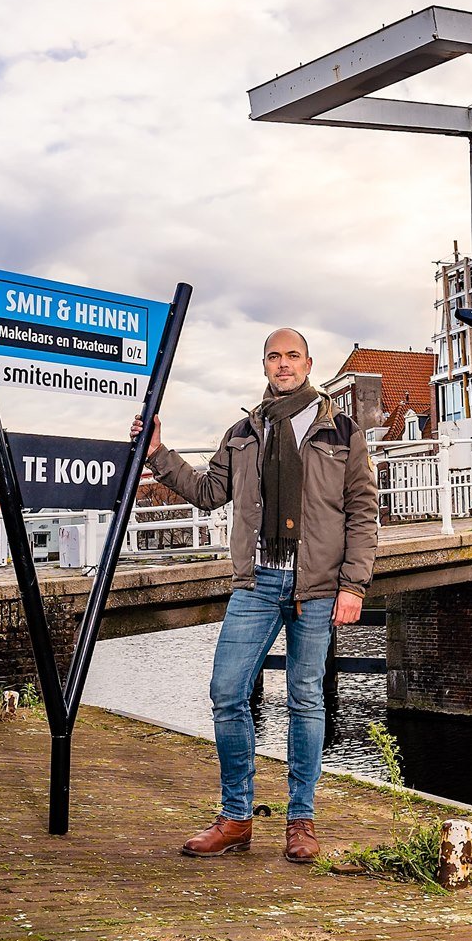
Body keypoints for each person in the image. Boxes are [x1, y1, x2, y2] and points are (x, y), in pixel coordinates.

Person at [132, 327, 377, 863]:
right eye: (274, 357)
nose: (283, 364)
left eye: (293, 356)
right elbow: (207, 492)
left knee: (305, 700)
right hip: (257, 582)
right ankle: (237, 817)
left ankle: (301, 820)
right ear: (264, 365)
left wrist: (354, 584)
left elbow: (362, 512)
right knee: (226, 691)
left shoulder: (342, 432)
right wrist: (157, 454)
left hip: (317, 586)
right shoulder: (244, 433)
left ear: (309, 363)